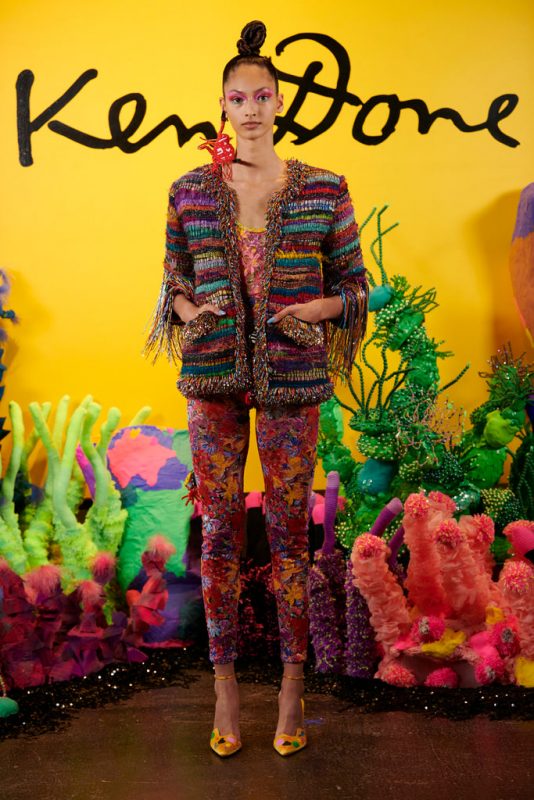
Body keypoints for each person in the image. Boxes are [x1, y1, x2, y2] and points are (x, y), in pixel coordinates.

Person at [145, 19, 369, 757]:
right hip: (211, 376)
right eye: (237, 98)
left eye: (262, 96)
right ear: (222, 105)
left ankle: (293, 687)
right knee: (216, 534)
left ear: (280, 102)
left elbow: (358, 286)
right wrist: (189, 313)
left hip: (292, 379)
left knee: (288, 533)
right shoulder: (189, 190)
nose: (250, 109)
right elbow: (173, 279)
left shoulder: (325, 188)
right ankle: (225, 687)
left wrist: (316, 310)